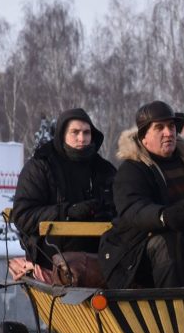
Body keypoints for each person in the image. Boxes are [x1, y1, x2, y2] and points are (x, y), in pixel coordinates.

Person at [100, 100, 184, 288]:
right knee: (168, 242)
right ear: (144, 137)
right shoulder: (132, 169)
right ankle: (172, 310)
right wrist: (162, 216)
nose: (168, 133)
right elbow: (132, 208)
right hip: (141, 253)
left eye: (171, 126)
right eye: (159, 127)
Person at [11, 108, 116, 268]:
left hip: (101, 251)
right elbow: (22, 215)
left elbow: (122, 208)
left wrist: (106, 213)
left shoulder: (104, 169)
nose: (81, 138)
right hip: (52, 253)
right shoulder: (40, 166)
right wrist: (66, 212)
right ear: (62, 135)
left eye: (86, 133)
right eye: (75, 132)